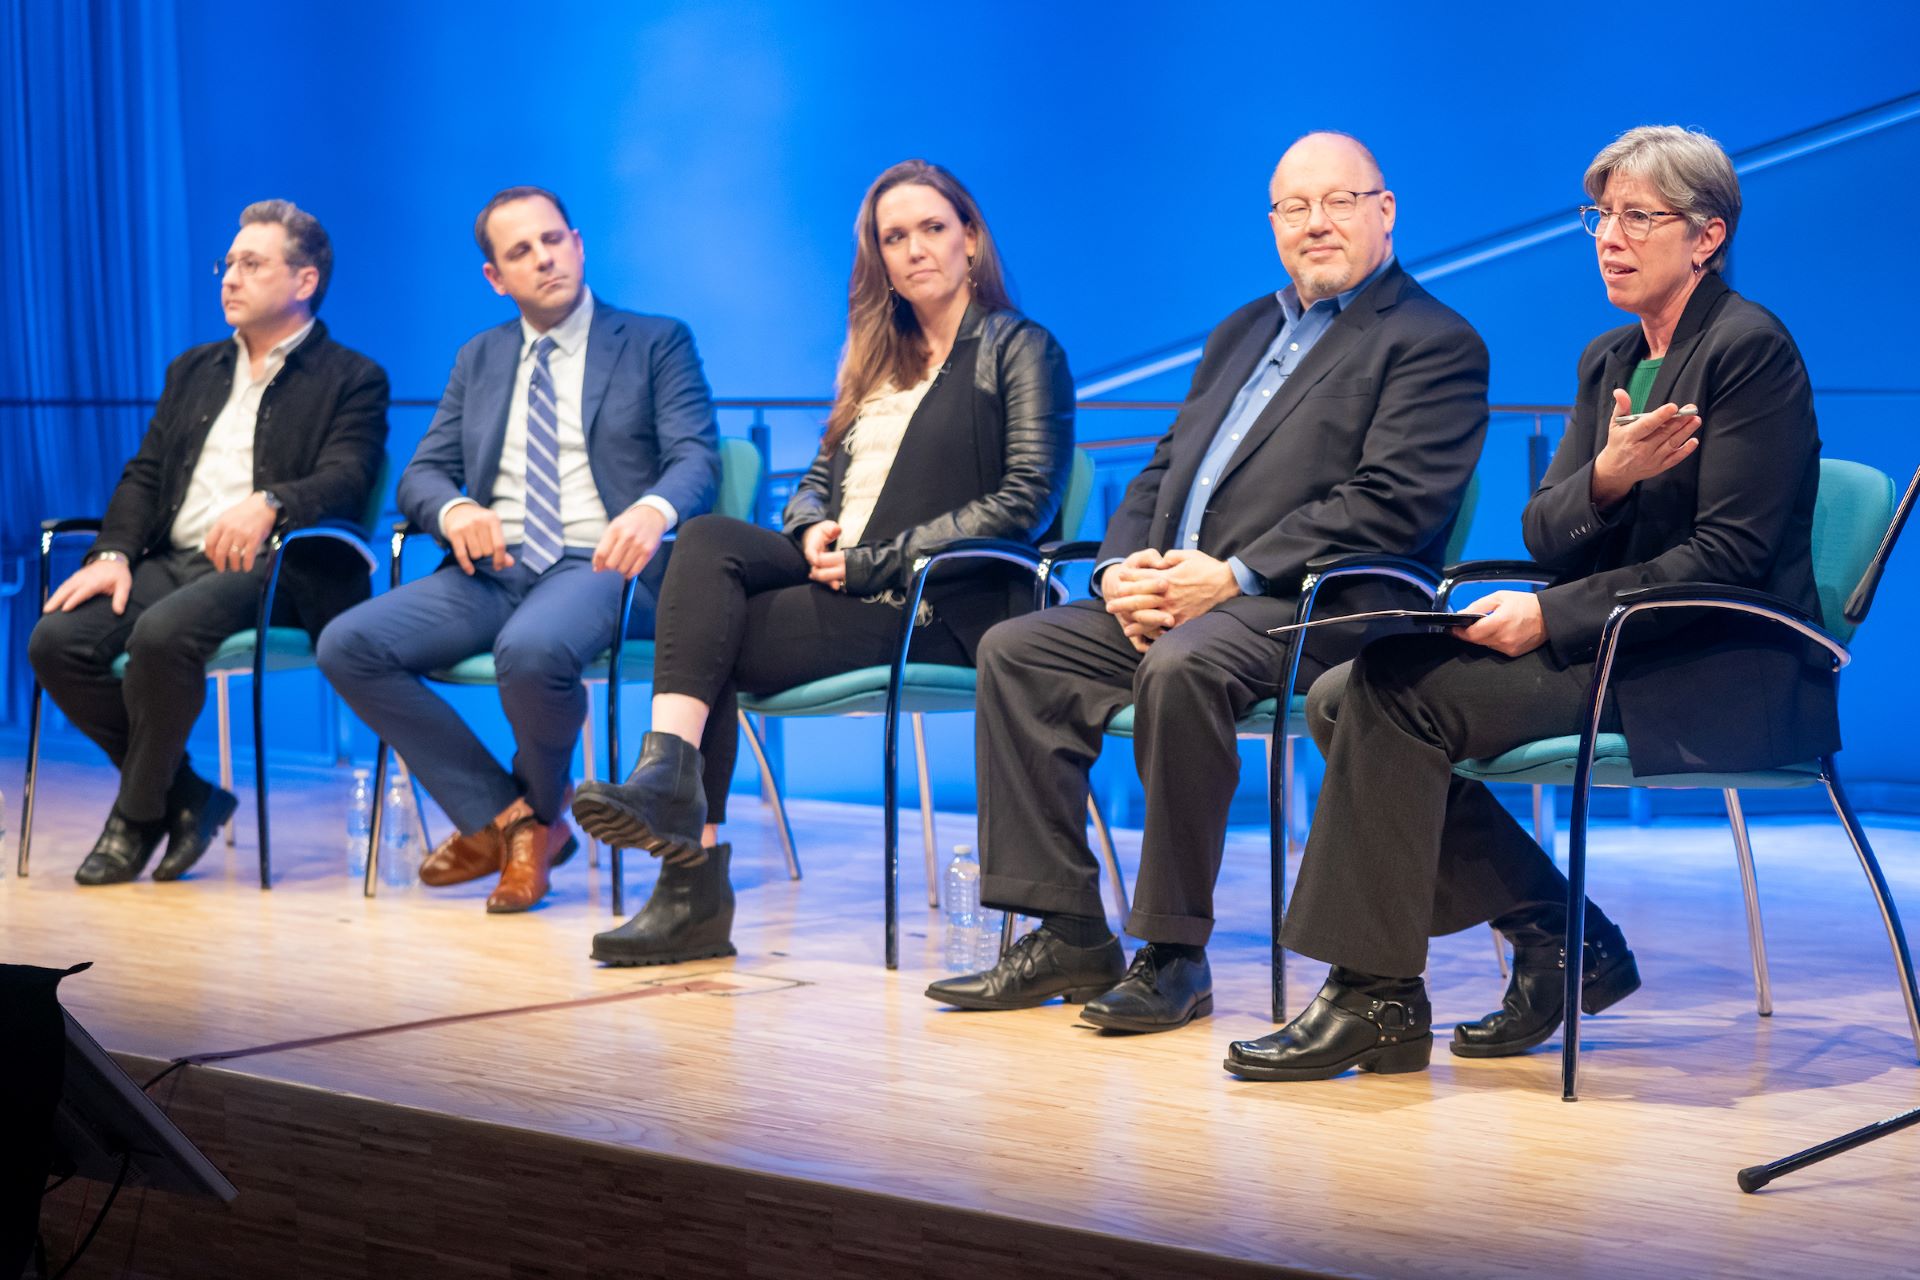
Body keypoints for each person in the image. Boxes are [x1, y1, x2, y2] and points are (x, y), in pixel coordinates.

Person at [1228, 125, 1834, 1082]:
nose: (1611, 237)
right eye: (1601, 216)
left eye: (1641, 218)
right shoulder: (1608, 359)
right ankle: (1559, 934)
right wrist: (1607, 477)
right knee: (1342, 692)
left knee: (1393, 692)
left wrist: (1549, 617)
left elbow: (1731, 556)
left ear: (1707, 236)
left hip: (1716, 663)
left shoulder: (1747, 351)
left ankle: (1375, 995)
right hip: (1620, 644)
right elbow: (1549, 529)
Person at [924, 131, 1489, 1032]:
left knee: (1183, 666)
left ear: (1385, 212)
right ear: (1273, 224)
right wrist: (1121, 572)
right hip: (1183, 598)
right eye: (1294, 207)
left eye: (1339, 202)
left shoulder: (1433, 341)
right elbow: (1161, 470)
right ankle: (1067, 930)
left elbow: (1388, 504)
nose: (1316, 223)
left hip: (1318, 609)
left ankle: (1173, 955)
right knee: (1018, 652)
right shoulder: (1241, 331)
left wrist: (1230, 574)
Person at [570, 159, 1075, 966]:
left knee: (710, 636)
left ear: (972, 240)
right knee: (704, 545)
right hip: (845, 579)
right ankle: (667, 784)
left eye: (933, 229)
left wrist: (883, 559)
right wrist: (808, 527)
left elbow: (1028, 499)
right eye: (894, 237)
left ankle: (687, 881)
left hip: (937, 603)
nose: (914, 250)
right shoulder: (878, 359)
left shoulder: (1018, 348)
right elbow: (816, 481)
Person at [317, 186, 718, 914]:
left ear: (578, 242)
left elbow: (697, 458)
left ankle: (525, 829)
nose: (544, 259)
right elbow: (421, 474)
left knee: (530, 650)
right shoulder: (481, 356)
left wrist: (653, 510)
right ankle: (515, 821)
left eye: (553, 240)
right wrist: (456, 505)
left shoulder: (656, 341)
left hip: (601, 564)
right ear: (496, 278)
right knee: (348, 643)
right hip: (493, 569)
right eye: (520, 252)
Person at [30, 200, 389, 886]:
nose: (229, 278)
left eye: (251, 264)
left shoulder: (353, 376)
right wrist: (111, 555)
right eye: (227, 264)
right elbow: (144, 473)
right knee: (56, 642)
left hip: (276, 571)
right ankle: (187, 796)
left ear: (305, 281)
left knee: (164, 636)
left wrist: (273, 502)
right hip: (173, 561)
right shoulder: (192, 369)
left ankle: (136, 819)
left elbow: (350, 477)